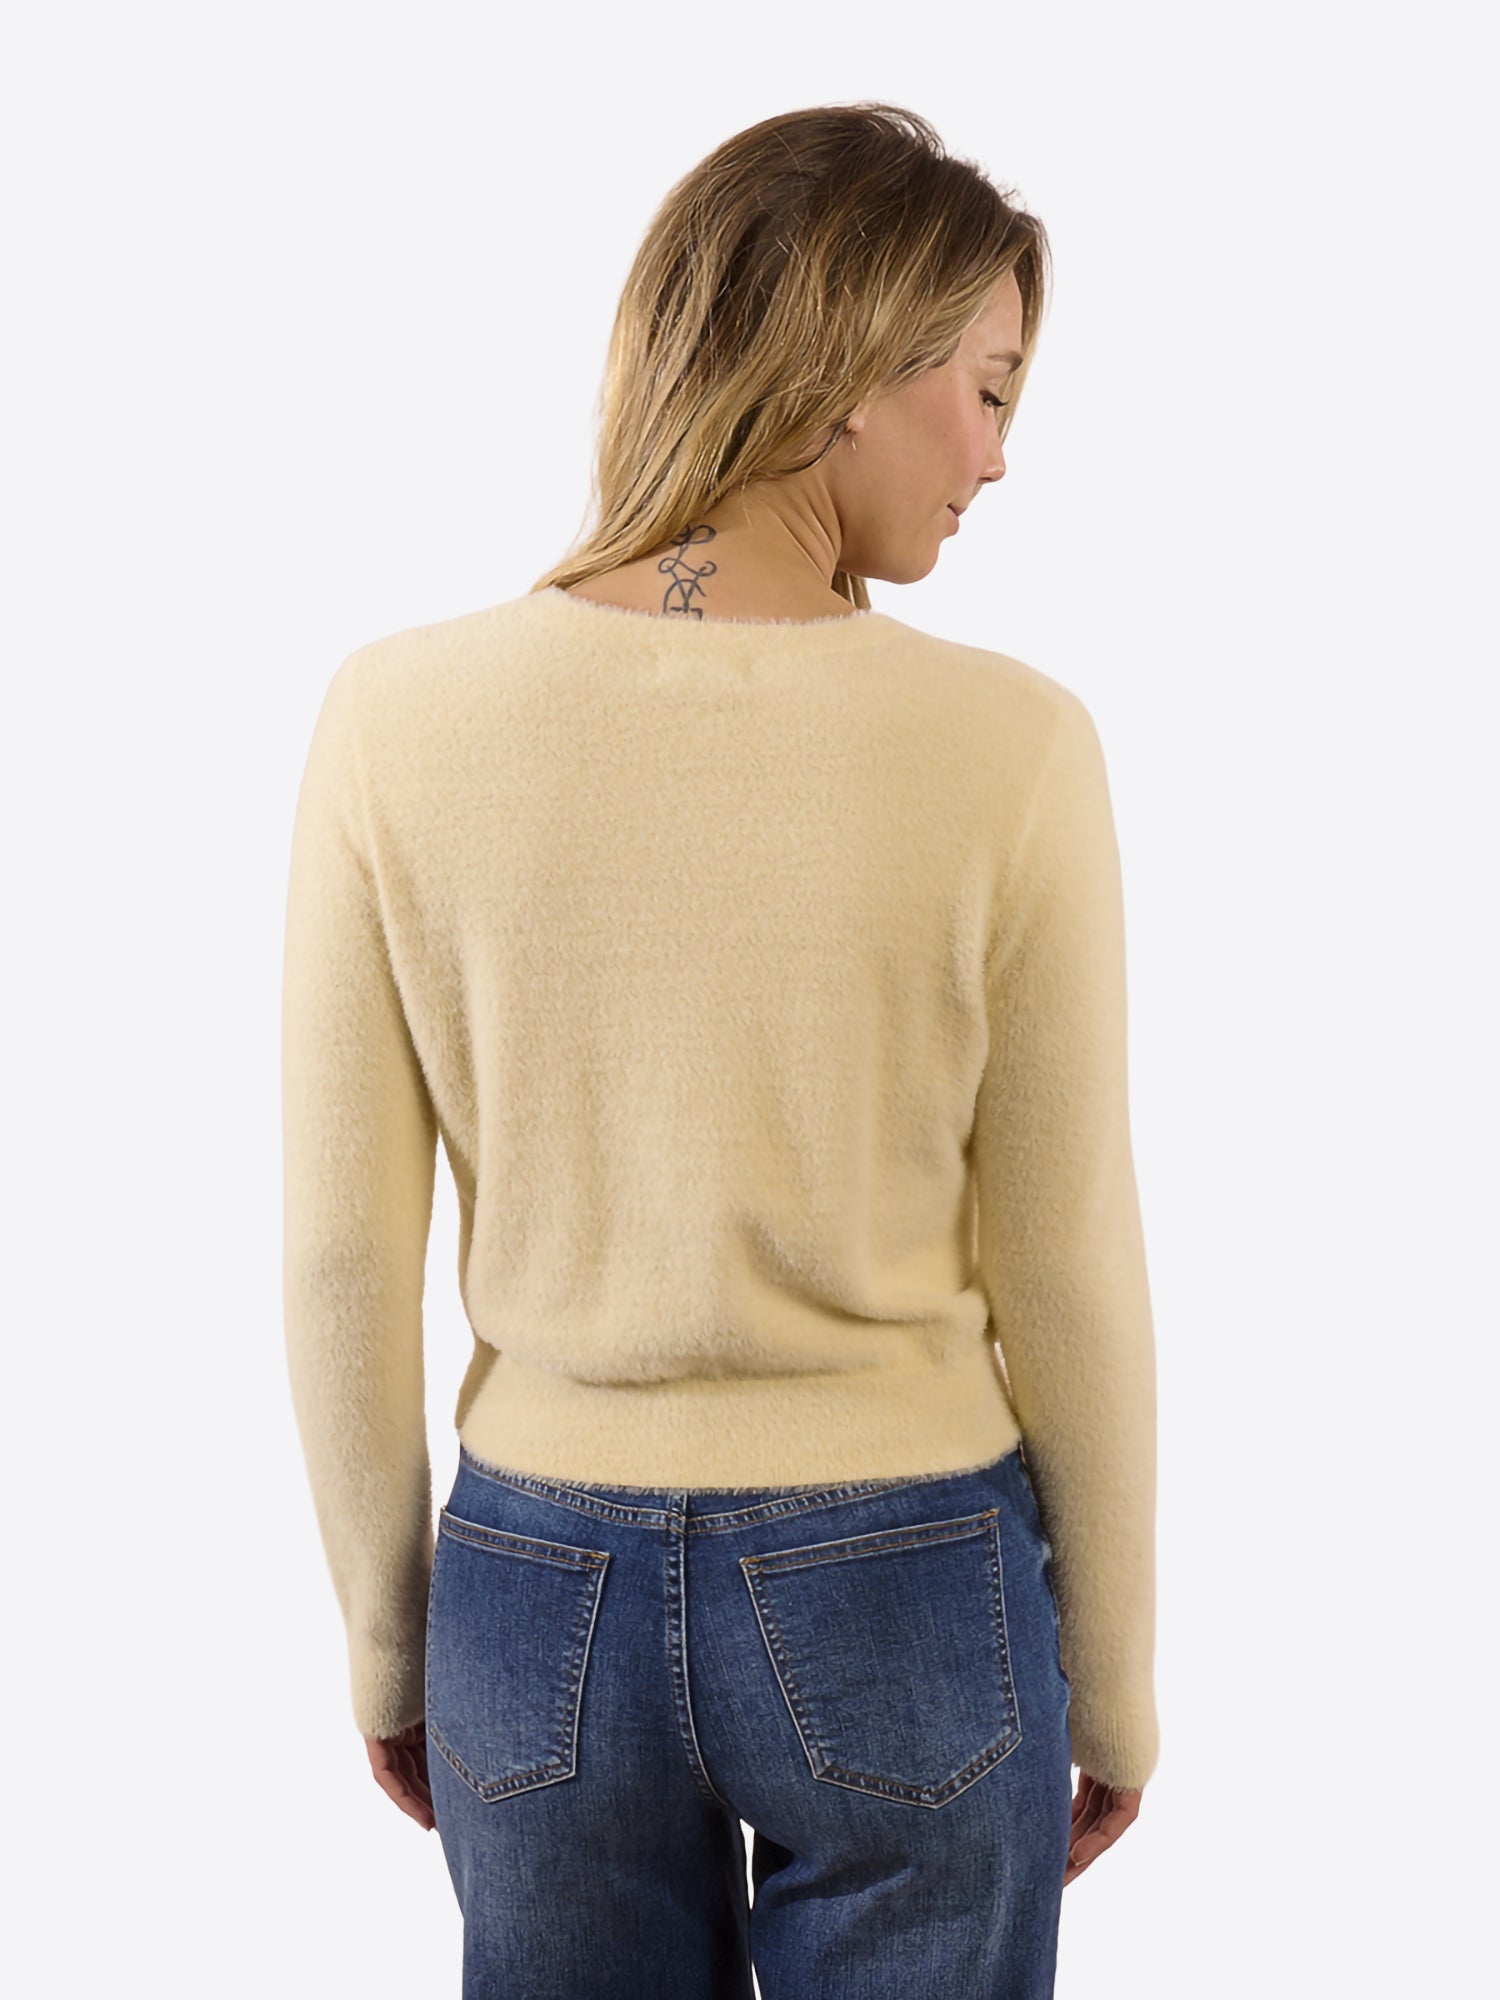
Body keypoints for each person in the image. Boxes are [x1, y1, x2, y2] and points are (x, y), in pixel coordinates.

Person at [282, 100, 1158, 1998]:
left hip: (533, 1594)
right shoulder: (1013, 747)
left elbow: (345, 1250)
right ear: (848, 367)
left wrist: (389, 1640)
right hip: (908, 1578)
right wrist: (1119, 1681)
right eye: (987, 390)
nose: (1000, 456)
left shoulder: (396, 716)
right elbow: (1067, 1259)